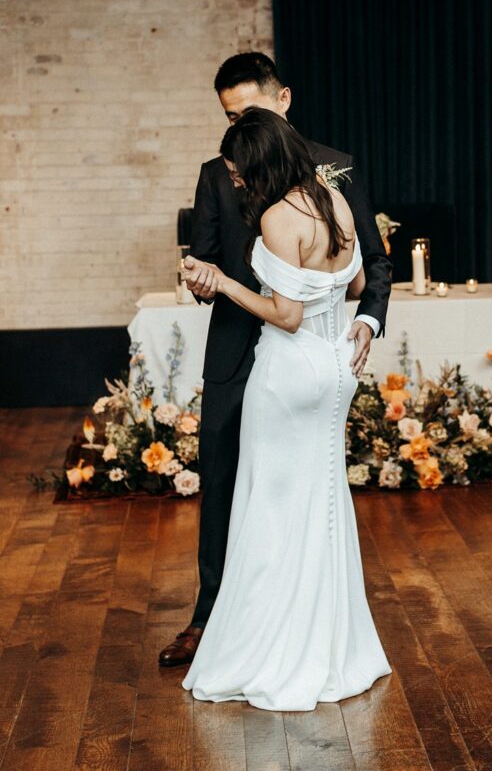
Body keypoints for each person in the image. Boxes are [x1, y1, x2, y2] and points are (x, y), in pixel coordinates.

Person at [158, 52, 392, 669]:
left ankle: (292, 624)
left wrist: (369, 319)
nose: (238, 131)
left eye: (248, 114)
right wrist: (201, 278)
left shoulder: (334, 168)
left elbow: (373, 260)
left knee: (293, 489)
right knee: (226, 486)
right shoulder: (216, 172)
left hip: (294, 352)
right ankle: (212, 619)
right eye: (230, 117)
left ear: (282, 100)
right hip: (238, 353)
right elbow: (205, 256)